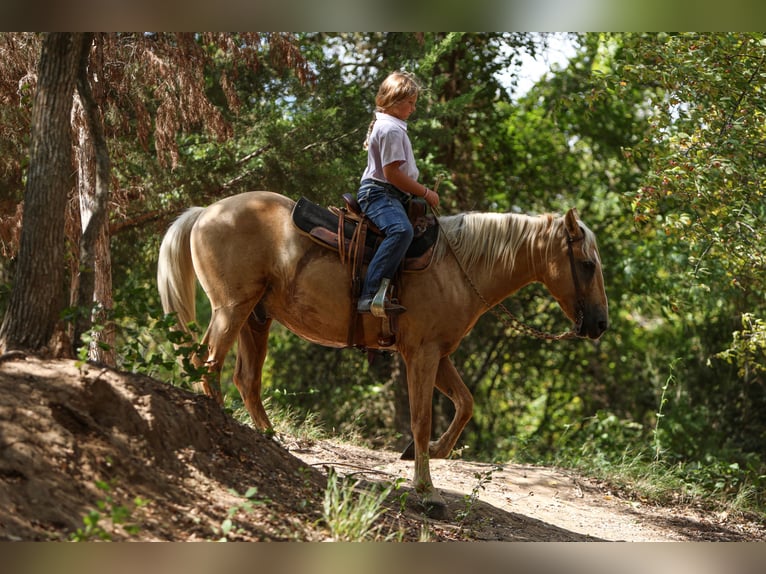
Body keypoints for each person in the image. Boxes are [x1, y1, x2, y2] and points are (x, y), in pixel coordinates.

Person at [356, 71, 440, 317]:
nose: (413, 109)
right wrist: (425, 192)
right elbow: (392, 174)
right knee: (402, 231)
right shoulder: (391, 130)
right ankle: (369, 294)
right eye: (410, 103)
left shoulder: (390, 125)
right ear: (394, 100)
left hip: (389, 193)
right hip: (380, 193)